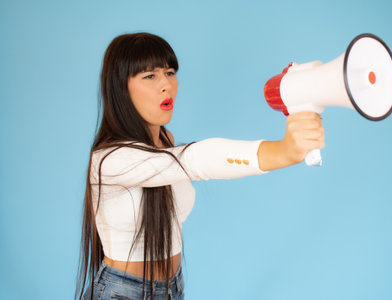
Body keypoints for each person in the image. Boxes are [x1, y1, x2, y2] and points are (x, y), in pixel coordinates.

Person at [75, 32, 325, 300]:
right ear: (120, 87)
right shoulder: (108, 160)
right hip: (122, 293)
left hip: (172, 289)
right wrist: (284, 151)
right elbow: (197, 160)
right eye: (150, 76)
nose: (166, 85)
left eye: (170, 72)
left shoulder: (165, 141)